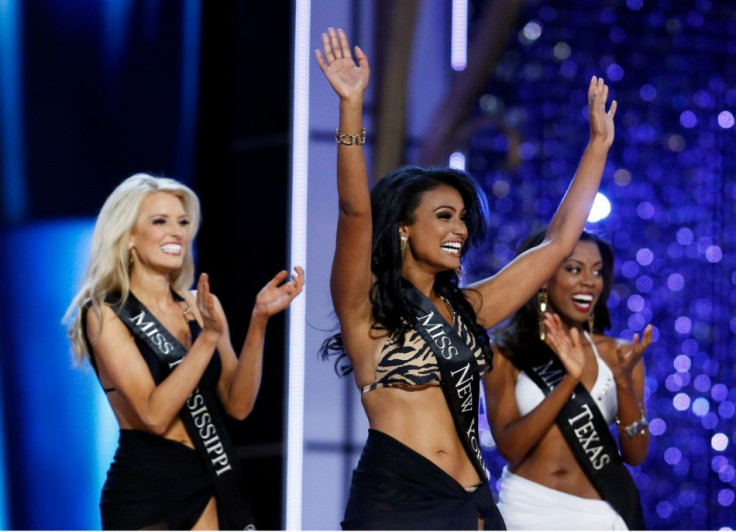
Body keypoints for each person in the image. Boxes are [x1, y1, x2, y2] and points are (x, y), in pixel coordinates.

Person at [315, 27, 617, 530]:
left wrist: (598, 147)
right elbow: (354, 213)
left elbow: (559, 242)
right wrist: (350, 107)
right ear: (404, 229)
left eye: (461, 217)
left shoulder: (469, 308)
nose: (459, 229)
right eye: (443, 216)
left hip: (473, 502)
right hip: (399, 501)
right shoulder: (364, 308)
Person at [64, 173, 304, 530]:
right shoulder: (105, 312)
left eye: (182, 222)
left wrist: (258, 321)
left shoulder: (202, 305)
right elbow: (153, 415)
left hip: (207, 476)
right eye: (160, 221)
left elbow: (238, 406)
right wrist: (207, 338)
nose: (176, 232)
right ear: (128, 235)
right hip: (146, 486)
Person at [485, 227, 652, 530]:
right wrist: (568, 381)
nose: (589, 282)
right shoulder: (504, 352)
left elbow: (636, 454)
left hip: (598, 515)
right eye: (574, 269)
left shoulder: (621, 354)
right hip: (525, 509)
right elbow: (510, 448)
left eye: (598, 272)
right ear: (542, 278)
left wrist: (624, 383)